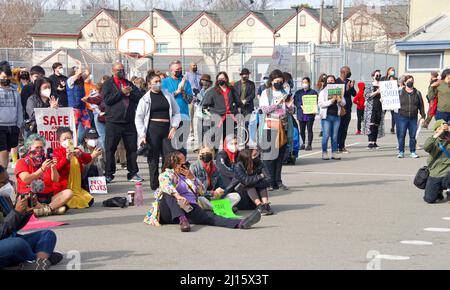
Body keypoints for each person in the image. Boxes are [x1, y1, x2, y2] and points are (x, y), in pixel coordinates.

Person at [143, 151, 261, 232]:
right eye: (184, 163)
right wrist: (178, 196)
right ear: (175, 164)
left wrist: (192, 178)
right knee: (167, 194)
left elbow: (202, 191)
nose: (186, 165)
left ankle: (240, 223)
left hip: (188, 207)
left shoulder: (187, 176)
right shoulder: (167, 174)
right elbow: (166, 185)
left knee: (209, 217)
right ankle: (181, 219)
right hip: (169, 211)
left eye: (186, 162)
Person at [0, 165, 62, 270]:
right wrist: (16, 213)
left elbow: (13, 227)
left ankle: (37, 262)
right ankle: (38, 259)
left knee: (47, 235)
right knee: (18, 244)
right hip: (7, 243)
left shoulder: (3, 197)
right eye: (3, 182)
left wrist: (25, 212)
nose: (7, 185)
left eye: (8, 180)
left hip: (8, 240)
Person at [135, 73, 180, 190]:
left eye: (159, 81)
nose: (158, 83)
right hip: (152, 130)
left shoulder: (168, 95)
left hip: (167, 130)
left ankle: (166, 182)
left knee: (169, 157)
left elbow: (176, 112)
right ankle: (155, 185)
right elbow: (138, 118)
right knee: (153, 158)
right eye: (155, 81)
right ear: (149, 84)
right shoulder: (144, 99)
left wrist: (174, 127)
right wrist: (142, 134)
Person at [103, 62, 143, 184]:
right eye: (118, 70)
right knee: (110, 148)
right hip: (113, 121)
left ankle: (133, 173)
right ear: (113, 71)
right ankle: (109, 174)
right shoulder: (108, 84)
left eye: (122, 70)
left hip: (129, 121)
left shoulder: (129, 83)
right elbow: (107, 100)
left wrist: (130, 93)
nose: (121, 72)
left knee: (132, 148)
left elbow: (139, 96)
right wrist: (121, 93)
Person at [15, 134, 73, 217]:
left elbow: (56, 180)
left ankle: (43, 210)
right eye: (37, 147)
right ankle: (51, 209)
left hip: (47, 197)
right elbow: (26, 179)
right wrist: (42, 169)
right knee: (29, 200)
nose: (39, 150)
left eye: (41, 147)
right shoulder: (22, 162)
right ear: (29, 148)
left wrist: (53, 167)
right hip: (30, 197)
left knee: (69, 193)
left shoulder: (45, 160)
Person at [259, 69, 294, 190]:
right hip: (270, 126)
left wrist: (290, 107)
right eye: (276, 81)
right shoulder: (266, 93)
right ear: (271, 81)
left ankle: (278, 181)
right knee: (269, 157)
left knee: (280, 156)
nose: (279, 83)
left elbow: (292, 110)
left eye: (281, 81)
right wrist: (277, 104)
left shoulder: (285, 92)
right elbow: (264, 110)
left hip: (283, 126)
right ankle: (269, 181)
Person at [53, 127, 94, 209]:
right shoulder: (57, 151)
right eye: (64, 139)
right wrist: (66, 159)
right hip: (65, 186)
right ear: (59, 141)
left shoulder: (76, 149)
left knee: (90, 201)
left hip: (77, 187)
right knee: (71, 201)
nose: (68, 141)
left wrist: (81, 155)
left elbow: (88, 159)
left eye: (70, 138)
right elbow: (56, 168)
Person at [190, 146, 241, 210]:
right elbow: (197, 191)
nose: (206, 155)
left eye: (208, 153)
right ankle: (220, 208)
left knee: (236, 196)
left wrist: (221, 192)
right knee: (200, 199)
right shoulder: (194, 167)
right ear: (199, 155)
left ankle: (214, 208)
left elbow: (222, 186)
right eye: (203, 153)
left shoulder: (215, 167)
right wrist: (212, 193)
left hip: (213, 198)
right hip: (203, 197)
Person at [229, 148, 273, 215]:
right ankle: (260, 206)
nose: (257, 157)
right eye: (254, 155)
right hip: (242, 198)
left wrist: (254, 182)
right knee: (249, 185)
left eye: (257, 154)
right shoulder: (238, 166)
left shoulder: (259, 163)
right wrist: (260, 176)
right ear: (247, 158)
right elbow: (246, 181)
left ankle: (265, 204)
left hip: (253, 197)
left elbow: (269, 179)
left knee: (262, 184)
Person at [162, 60, 193, 153]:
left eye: (180, 69)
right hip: (170, 117)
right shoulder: (164, 82)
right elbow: (164, 99)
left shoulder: (185, 82)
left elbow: (189, 100)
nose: (179, 71)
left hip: (184, 116)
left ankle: (182, 165)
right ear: (171, 70)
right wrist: (177, 91)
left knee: (182, 145)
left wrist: (182, 90)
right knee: (170, 145)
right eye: (177, 69)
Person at [203, 72, 240, 146]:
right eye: (219, 79)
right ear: (217, 80)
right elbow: (204, 107)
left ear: (226, 79)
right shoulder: (212, 91)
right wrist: (209, 116)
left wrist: (237, 113)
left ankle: (227, 156)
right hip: (217, 119)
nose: (221, 80)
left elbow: (238, 102)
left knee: (229, 140)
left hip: (230, 118)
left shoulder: (232, 90)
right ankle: (215, 156)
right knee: (215, 141)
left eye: (223, 78)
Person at [396, 75, 425, 159]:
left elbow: (421, 106)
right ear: (404, 82)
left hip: (413, 117)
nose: (410, 82)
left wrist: (423, 116)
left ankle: (413, 151)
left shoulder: (418, 93)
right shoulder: (400, 92)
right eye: (408, 81)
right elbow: (393, 102)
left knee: (413, 136)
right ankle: (401, 152)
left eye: (412, 81)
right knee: (401, 135)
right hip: (402, 117)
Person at [0, 62, 23, 168]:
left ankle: (3, 172)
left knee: (8, 151)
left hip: (13, 126)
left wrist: (18, 125)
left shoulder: (15, 92)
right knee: (3, 151)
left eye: (8, 77)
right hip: (1, 126)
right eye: (3, 77)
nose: (6, 79)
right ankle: (2, 175)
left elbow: (19, 109)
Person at [319, 74, 346, 160]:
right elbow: (321, 104)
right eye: (329, 81)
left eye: (332, 81)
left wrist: (339, 100)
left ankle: (334, 152)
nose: (331, 82)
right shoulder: (323, 92)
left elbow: (344, 103)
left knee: (334, 136)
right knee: (326, 135)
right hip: (327, 117)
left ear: (335, 82)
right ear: (326, 82)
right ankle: (324, 152)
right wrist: (331, 101)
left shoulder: (338, 90)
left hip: (336, 116)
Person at [423, 120, 450, 203]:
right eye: (440, 128)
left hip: (448, 171)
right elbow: (426, 147)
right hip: (436, 172)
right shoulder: (433, 141)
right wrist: (438, 133)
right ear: (435, 130)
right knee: (429, 199)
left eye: (444, 127)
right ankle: (438, 191)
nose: (443, 129)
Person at [67, 61, 92, 146]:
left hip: (83, 108)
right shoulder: (70, 81)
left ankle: (84, 145)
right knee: (73, 130)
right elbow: (79, 74)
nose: (79, 72)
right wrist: (80, 64)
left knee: (88, 128)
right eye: (77, 70)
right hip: (74, 110)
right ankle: (72, 147)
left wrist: (86, 64)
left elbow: (88, 72)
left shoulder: (80, 81)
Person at [294, 77, 318, 151]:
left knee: (309, 129)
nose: (304, 84)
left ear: (309, 83)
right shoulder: (298, 92)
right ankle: (303, 143)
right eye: (303, 82)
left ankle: (309, 144)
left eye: (306, 82)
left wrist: (311, 107)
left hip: (310, 114)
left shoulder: (313, 92)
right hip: (301, 114)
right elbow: (295, 101)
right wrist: (300, 105)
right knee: (302, 130)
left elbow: (315, 101)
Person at [336, 66, 356, 153]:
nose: (349, 73)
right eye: (348, 71)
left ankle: (342, 146)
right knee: (338, 128)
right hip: (339, 109)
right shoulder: (336, 81)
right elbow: (338, 94)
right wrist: (346, 88)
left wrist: (351, 87)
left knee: (344, 128)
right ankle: (336, 146)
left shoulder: (348, 81)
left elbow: (354, 94)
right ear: (343, 72)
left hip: (347, 109)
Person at [363, 70, 385, 150]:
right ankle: (370, 142)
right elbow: (366, 96)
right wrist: (376, 92)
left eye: (379, 75)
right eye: (376, 75)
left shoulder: (383, 85)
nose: (378, 76)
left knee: (376, 125)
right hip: (371, 108)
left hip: (379, 107)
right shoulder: (369, 85)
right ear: (373, 76)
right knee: (371, 125)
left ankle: (374, 142)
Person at [194, 74, 213, 150]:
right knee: (199, 130)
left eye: (205, 81)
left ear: (209, 82)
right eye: (202, 81)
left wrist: (198, 95)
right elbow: (198, 102)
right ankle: (200, 146)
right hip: (200, 113)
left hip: (207, 113)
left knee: (206, 130)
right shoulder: (202, 90)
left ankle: (208, 147)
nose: (203, 83)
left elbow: (205, 101)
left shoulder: (211, 90)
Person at [185, 62, 202, 140]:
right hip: (191, 98)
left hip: (199, 98)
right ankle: (191, 134)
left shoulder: (199, 75)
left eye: (196, 65)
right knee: (190, 116)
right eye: (193, 65)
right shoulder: (187, 75)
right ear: (190, 67)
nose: (195, 66)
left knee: (200, 116)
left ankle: (201, 133)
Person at [381, 67, 397, 134]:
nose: (392, 71)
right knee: (382, 114)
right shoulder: (383, 78)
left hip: (392, 99)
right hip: (385, 99)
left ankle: (393, 127)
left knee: (393, 115)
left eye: (393, 71)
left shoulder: (395, 79)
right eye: (391, 70)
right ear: (388, 71)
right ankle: (380, 127)